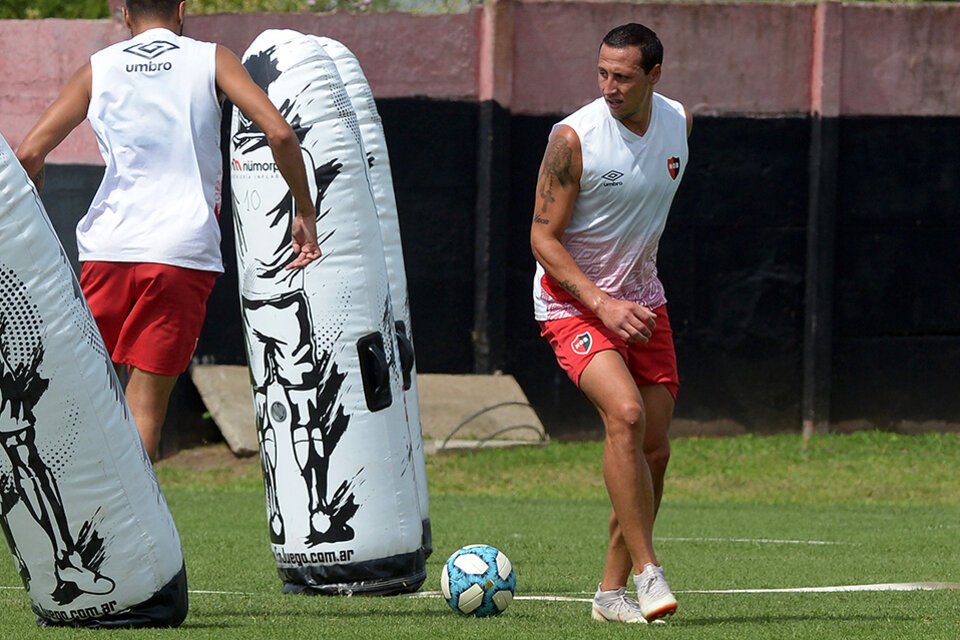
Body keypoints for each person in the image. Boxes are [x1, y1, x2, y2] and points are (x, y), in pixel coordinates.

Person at [15, 0, 321, 461]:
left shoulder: (97, 69)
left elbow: (28, 156)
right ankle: (130, 532)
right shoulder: (211, 58)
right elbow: (279, 133)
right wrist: (304, 210)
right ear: (181, 11)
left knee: (78, 400)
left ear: (125, 16)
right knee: (145, 414)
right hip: (180, 253)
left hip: (106, 250)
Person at [530, 23, 692, 623]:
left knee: (653, 451)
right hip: (574, 303)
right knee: (624, 415)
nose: (609, 86)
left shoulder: (679, 121)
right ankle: (651, 572)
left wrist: (627, 296)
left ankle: (609, 594)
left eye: (622, 76)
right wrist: (600, 303)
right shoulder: (573, 138)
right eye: (601, 72)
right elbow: (540, 235)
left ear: (654, 75)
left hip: (645, 303)